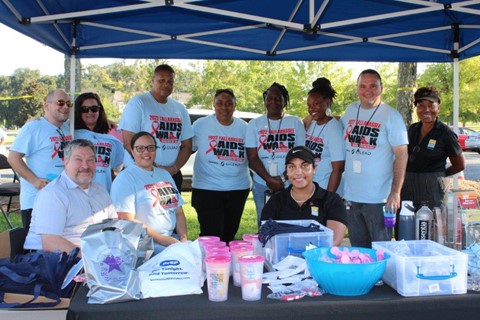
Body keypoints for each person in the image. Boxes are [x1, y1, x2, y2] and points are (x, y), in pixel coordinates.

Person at [340, 69, 408, 247]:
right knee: (358, 250)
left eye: (373, 86)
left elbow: (401, 154)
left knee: (381, 250)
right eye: (362, 86)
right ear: (357, 88)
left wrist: (395, 192)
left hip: (379, 199)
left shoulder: (391, 116)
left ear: (381, 88)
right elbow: (336, 123)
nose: (367, 90)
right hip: (351, 196)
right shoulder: (350, 110)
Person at [23, 139, 117, 254]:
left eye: (90, 160)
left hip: (94, 257)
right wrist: (92, 260)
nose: (85, 166)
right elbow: (51, 243)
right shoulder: (53, 194)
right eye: (78, 160)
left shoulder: (100, 190)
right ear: (66, 161)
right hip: (52, 260)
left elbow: (113, 227)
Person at [118, 64, 193, 191]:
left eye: (170, 81)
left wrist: (173, 169)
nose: (166, 84)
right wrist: (150, 166)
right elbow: (128, 141)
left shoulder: (180, 109)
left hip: (171, 175)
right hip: (141, 173)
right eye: (161, 81)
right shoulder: (139, 103)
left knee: (172, 210)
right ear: (152, 81)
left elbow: (187, 145)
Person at [110, 131, 188, 254]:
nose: (146, 152)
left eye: (151, 147)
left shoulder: (164, 174)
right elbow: (127, 220)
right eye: (140, 148)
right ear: (132, 151)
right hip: (143, 244)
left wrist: (183, 238)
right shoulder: (125, 178)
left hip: (171, 239)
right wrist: (163, 240)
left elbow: (178, 212)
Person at [191, 89, 251, 243]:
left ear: (234, 106)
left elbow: (253, 156)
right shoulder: (200, 125)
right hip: (207, 189)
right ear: (214, 105)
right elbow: (186, 149)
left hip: (237, 189)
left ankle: (223, 265)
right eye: (220, 103)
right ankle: (208, 264)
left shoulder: (245, 128)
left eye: (229, 103)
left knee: (229, 235)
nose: (224, 107)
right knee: (212, 235)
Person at [8, 89, 73, 229]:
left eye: (68, 103)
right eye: (60, 103)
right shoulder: (33, 127)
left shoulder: (68, 127)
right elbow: (13, 158)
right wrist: (34, 180)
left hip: (63, 199)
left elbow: (90, 118)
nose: (65, 107)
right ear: (46, 105)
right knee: (38, 248)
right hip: (36, 201)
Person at [261, 146, 347, 246]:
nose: (298, 172)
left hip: (317, 259)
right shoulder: (276, 200)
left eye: (304, 166)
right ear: (287, 171)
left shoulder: (332, 201)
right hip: (282, 260)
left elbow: (333, 241)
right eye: (292, 167)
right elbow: (265, 236)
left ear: (314, 168)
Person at [246, 82, 305, 226]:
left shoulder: (295, 122)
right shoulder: (254, 124)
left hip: (291, 183)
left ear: (285, 101)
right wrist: (269, 179)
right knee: (265, 222)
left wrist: (283, 177)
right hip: (262, 184)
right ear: (265, 100)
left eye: (278, 98)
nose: (274, 102)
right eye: (270, 98)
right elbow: (252, 158)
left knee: (291, 222)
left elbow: (300, 154)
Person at [401, 87, 465, 210]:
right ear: (416, 108)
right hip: (408, 186)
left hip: (433, 188)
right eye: (421, 105)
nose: (426, 110)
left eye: (431, 105)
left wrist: (439, 175)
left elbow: (460, 165)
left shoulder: (446, 133)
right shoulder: (412, 129)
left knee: (431, 225)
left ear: (438, 107)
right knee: (406, 224)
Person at [74, 92, 124, 192]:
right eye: (84, 109)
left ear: (99, 110)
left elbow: (111, 169)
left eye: (94, 109)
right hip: (78, 193)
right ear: (78, 112)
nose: (90, 112)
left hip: (104, 193)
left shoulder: (111, 134)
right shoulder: (71, 133)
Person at [304, 77, 345, 193]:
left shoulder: (333, 128)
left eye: (316, 104)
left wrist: (328, 198)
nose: (311, 109)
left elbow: (338, 168)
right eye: (309, 105)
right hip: (312, 188)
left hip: (325, 190)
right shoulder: (312, 124)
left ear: (327, 103)